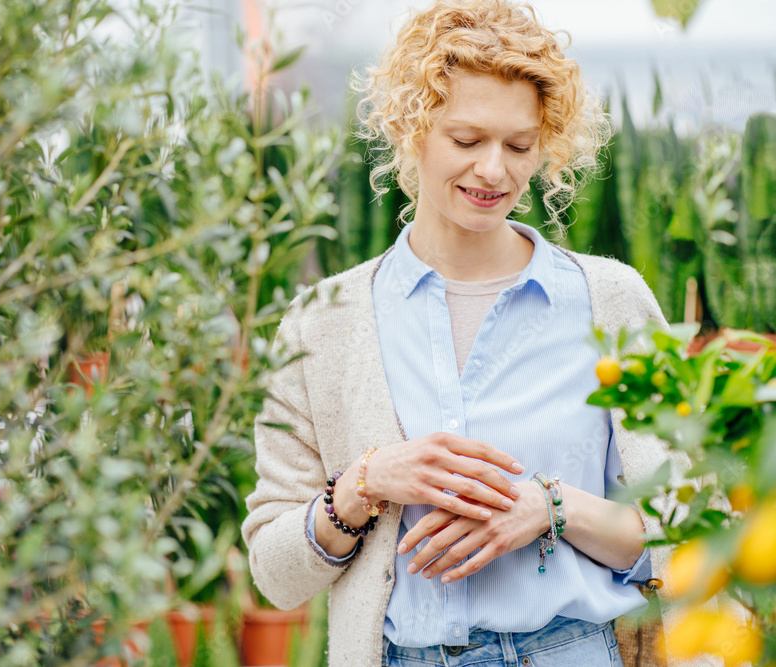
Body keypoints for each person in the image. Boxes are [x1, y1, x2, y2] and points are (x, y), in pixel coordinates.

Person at [243, 1, 683, 666]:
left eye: (519, 145)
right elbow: (276, 575)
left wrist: (551, 507)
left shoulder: (612, 303)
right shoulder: (323, 323)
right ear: (409, 128)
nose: (494, 172)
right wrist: (366, 482)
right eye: (467, 140)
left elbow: (692, 536)